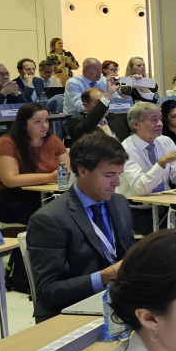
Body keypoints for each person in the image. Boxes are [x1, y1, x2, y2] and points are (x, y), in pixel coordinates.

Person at [26, 132, 133, 322]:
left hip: (117, 305)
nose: (117, 183)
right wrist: (105, 276)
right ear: (82, 171)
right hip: (69, 313)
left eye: (119, 174)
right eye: (109, 175)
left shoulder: (119, 203)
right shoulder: (49, 219)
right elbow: (48, 291)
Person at [0, 102, 68, 224]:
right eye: (37, 121)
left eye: (46, 120)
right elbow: (10, 180)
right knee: (57, 215)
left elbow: (66, 170)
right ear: (23, 124)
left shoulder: (53, 141)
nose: (45, 125)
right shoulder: (6, 143)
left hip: (49, 193)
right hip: (12, 198)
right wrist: (50, 177)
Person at [119, 102, 176, 197]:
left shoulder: (166, 141)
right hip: (139, 207)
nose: (160, 124)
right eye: (153, 120)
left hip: (166, 201)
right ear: (136, 124)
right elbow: (140, 189)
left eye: (160, 119)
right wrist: (161, 163)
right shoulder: (125, 149)